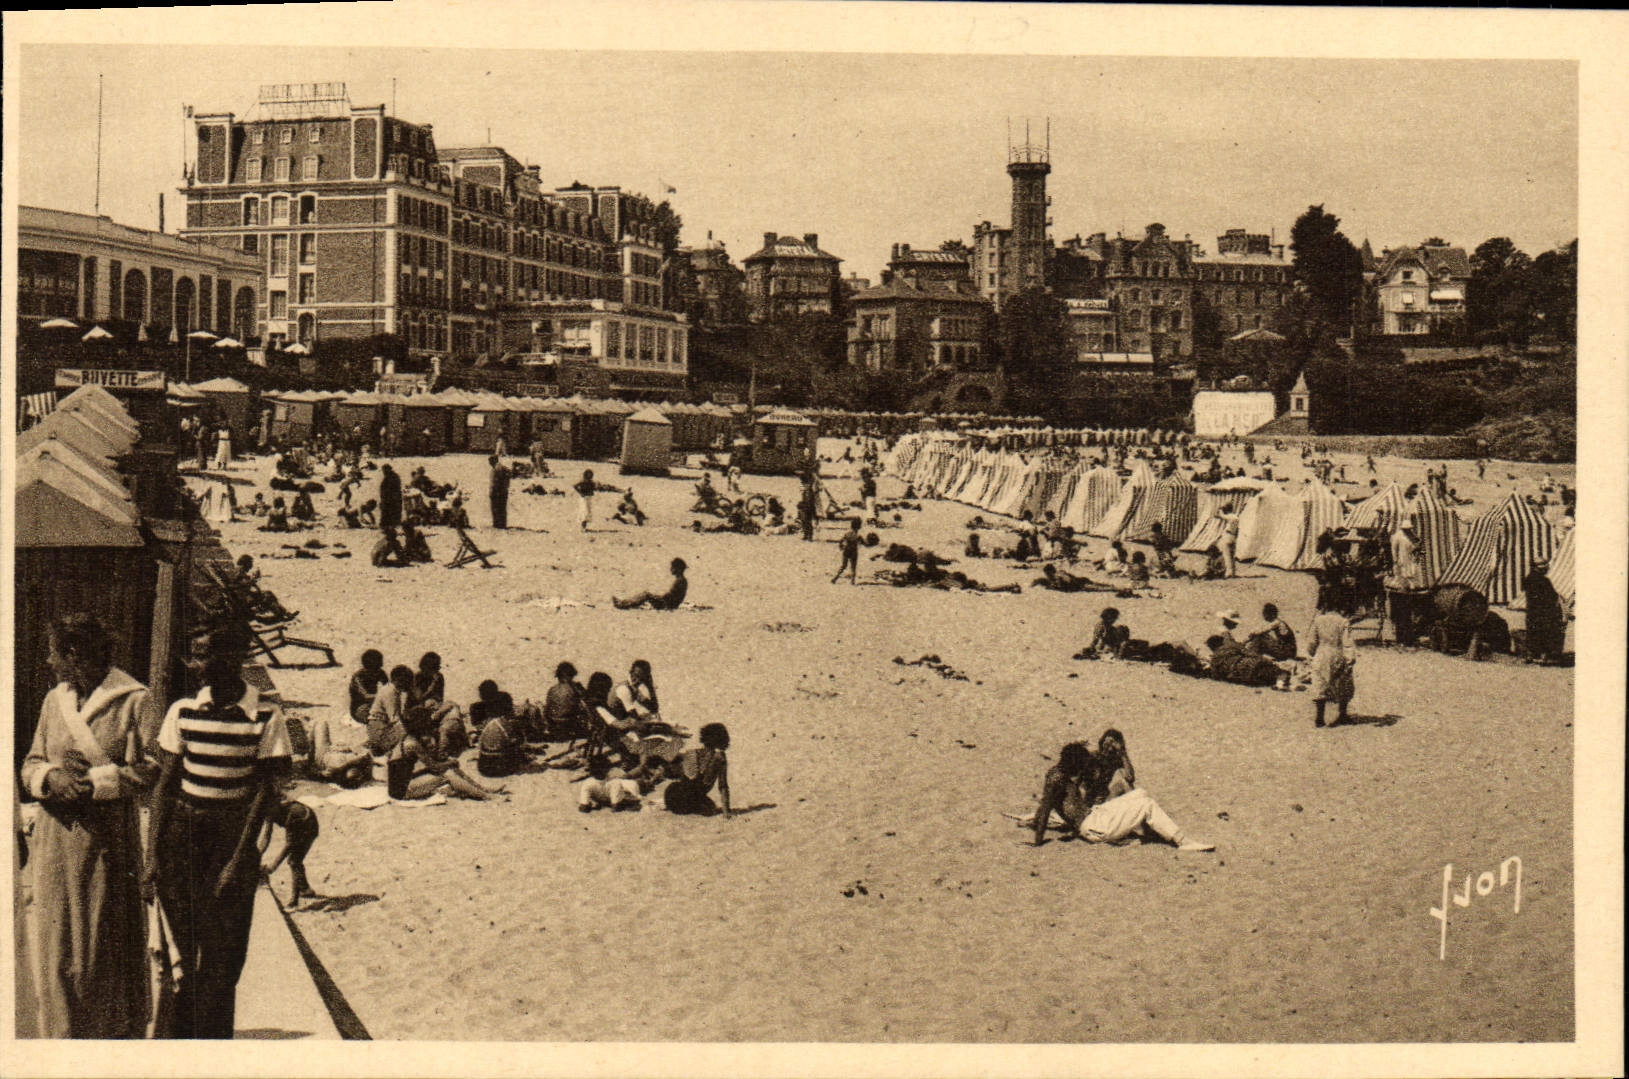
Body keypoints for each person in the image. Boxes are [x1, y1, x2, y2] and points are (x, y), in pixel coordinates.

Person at [146, 630, 292, 1039]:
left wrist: (237, 860)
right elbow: (164, 785)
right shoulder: (183, 711)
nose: (193, 665)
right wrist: (151, 857)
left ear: (233, 657)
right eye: (192, 656)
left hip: (233, 837)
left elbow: (263, 794)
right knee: (179, 957)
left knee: (223, 960)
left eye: (202, 655)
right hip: (183, 837)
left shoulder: (265, 716)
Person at [19, 615, 155, 1038]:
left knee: (99, 940)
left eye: (54, 653)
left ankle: (108, 1033)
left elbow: (153, 766)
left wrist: (98, 783)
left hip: (106, 842)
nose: (48, 661)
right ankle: (63, 1034)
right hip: (56, 841)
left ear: (74, 654)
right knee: (57, 940)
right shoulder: (53, 701)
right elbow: (31, 764)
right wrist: (49, 779)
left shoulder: (135, 700)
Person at [1031, 736, 1212, 851]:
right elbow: (1046, 808)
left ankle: (1152, 829)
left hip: (1094, 816)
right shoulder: (1057, 780)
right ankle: (1182, 841)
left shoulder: (1057, 772)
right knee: (1146, 805)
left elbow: (1047, 805)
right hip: (1094, 828)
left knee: (1140, 793)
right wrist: (1038, 841)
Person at [257, 795, 320, 906]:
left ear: (275, 805)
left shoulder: (292, 814)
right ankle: (306, 890)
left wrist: (272, 867)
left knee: (294, 861)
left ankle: (294, 900)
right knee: (295, 859)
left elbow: (289, 845)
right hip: (299, 826)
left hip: (309, 826)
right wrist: (257, 855)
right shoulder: (269, 811)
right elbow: (266, 837)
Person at [1307, 594, 1357, 728]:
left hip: (1322, 653)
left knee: (1320, 683)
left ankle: (1319, 717)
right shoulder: (1343, 621)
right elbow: (1347, 642)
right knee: (1343, 683)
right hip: (1337, 653)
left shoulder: (1318, 620)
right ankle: (1342, 714)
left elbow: (1312, 641)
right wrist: (1350, 658)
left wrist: (1311, 652)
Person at [664, 723, 732, 816]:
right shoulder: (719, 758)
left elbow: (683, 776)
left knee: (705, 803)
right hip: (691, 799)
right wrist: (726, 812)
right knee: (710, 807)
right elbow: (723, 786)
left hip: (671, 797)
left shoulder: (691, 753)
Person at [1385, 517, 1426, 645]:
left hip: (1409, 566)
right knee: (1401, 612)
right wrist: (1395, 566)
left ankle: (1407, 636)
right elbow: (1394, 554)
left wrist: (1416, 549)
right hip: (1401, 567)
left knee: (1406, 611)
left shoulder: (1410, 536)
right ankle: (1402, 637)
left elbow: (1413, 551)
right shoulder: (1397, 537)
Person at [474, 686, 528, 778]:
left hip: (483, 766)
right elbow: (517, 744)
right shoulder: (506, 724)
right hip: (500, 768)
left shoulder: (486, 721)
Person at [1520, 558, 1565, 664]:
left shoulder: (1528, 579)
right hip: (1544, 612)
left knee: (1533, 632)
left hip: (1532, 611)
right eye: (1545, 567)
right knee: (1545, 633)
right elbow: (1552, 596)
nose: (1547, 569)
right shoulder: (1544, 581)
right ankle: (1544, 656)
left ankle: (1531, 655)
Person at [613, 557, 689, 610]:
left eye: (672, 567)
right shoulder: (682, 580)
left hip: (667, 604)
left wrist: (658, 597)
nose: (670, 569)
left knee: (646, 595)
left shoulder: (679, 581)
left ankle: (624, 604)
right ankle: (626, 603)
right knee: (647, 595)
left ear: (678, 569)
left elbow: (670, 597)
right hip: (670, 604)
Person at [541, 662, 590, 743]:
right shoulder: (575, 687)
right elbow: (588, 700)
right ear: (571, 675)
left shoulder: (552, 689)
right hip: (569, 723)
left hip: (553, 724)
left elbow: (547, 709)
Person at [832, 518, 862, 584]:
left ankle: (835, 578)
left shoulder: (847, 534)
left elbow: (841, 541)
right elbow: (865, 543)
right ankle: (852, 581)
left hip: (846, 550)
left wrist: (841, 547)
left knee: (843, 566)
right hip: (854, 552)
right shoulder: (858, 536)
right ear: (859, 526)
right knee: (853, 567)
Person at [1217, 507, 1240, 578]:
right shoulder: (1236, 517)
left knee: (1227, 555)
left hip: (1228, 535)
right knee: (1232, 556)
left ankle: (1228, 573)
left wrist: (1220, 510)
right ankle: (1233, 572)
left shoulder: (1230, 516)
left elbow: (1221, 516)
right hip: (1233, 536)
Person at [488, 455, 510, 530]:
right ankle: (502, 524)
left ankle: (497, 524)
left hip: (497, 491)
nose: (489, 463)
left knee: (495, 508)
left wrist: (492, 491)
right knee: (502, 508)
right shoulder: (503, 468)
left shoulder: (495, 469)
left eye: (490, 461)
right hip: (503, 491)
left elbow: (494, 482)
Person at [378, 463, 403, 533]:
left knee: (390, 513)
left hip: (391, 499)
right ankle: (388, 528)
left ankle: (389, 528)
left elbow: (394, 489)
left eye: (384, 470)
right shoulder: (391, 477)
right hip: (389, 499)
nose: (383, 472)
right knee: (388, 513)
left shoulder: (392, 477)